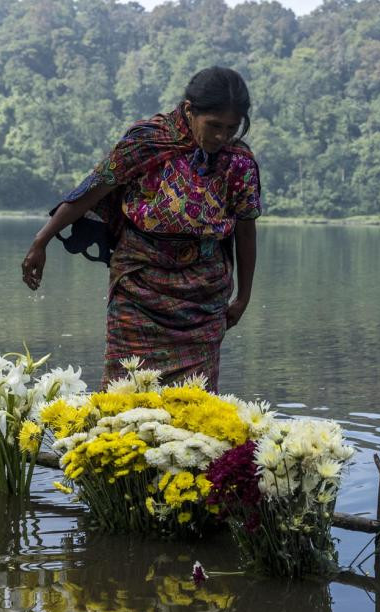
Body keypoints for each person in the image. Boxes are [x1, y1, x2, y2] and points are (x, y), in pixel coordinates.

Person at [21, 66, 261, 392]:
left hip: (202, 297)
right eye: (214, 126)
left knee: (194, 400)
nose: (221, 137)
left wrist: (243, 297)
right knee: (124, 390)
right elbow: (93, 189)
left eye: (231, 128)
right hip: (138, 284)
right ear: (189, 110)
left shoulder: (239, 163)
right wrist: (41, 240)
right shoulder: (147, 142)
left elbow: (246, 229)